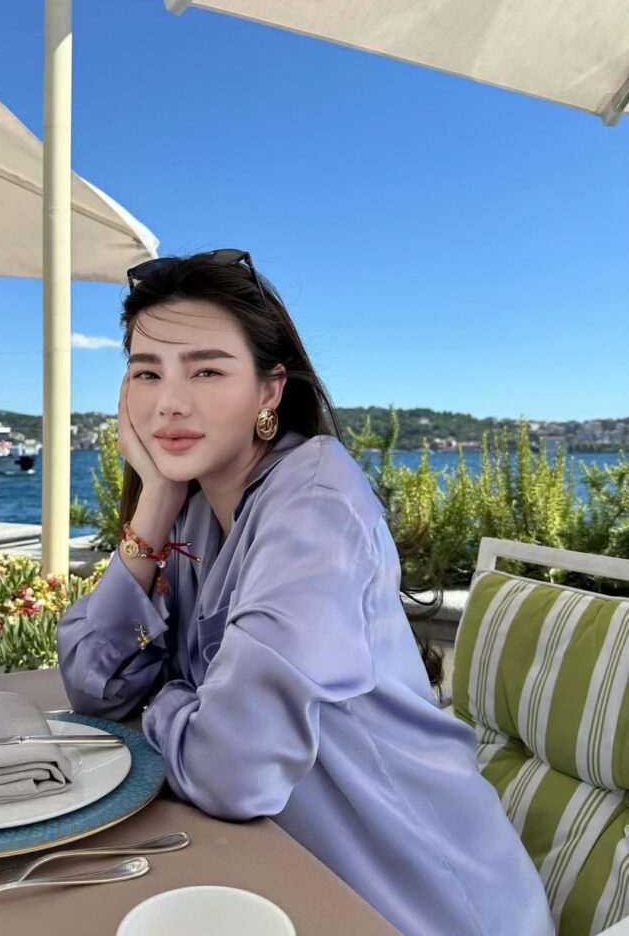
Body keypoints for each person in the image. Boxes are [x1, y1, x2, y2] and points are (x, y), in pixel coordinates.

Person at [57, 251, 554, 936]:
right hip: (288, 874)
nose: (168, 401)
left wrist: (160, 703)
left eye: (206, 370)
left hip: (419, 902)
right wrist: (156, 505)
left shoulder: (313, 504)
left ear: (269, 390)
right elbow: (95, 685)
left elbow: (233, 771)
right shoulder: (196, 511)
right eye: (147, 372)